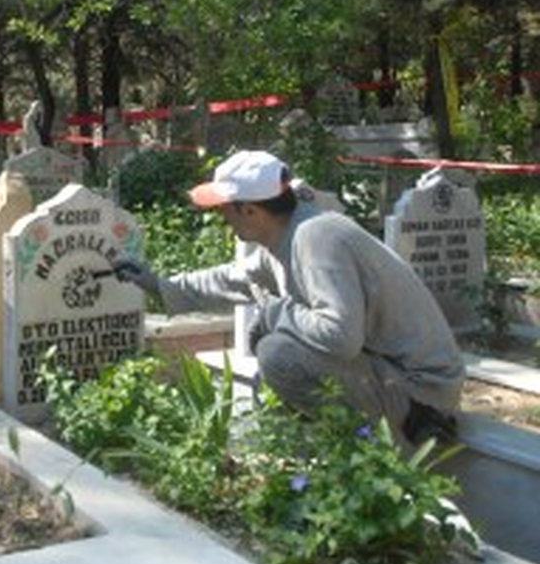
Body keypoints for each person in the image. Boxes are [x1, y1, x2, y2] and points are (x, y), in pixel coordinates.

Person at [113, 150, 465, 445]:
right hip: (391, 373)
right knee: (280, 351)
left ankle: (365, 451)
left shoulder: (316, 238)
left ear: (250, 210)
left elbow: (340, 336)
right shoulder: (289, 234)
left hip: (422, 393)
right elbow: (232, 279)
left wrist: (274, 312)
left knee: (278, 354)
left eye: (224, 209)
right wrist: (157, 284)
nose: (221, 218)